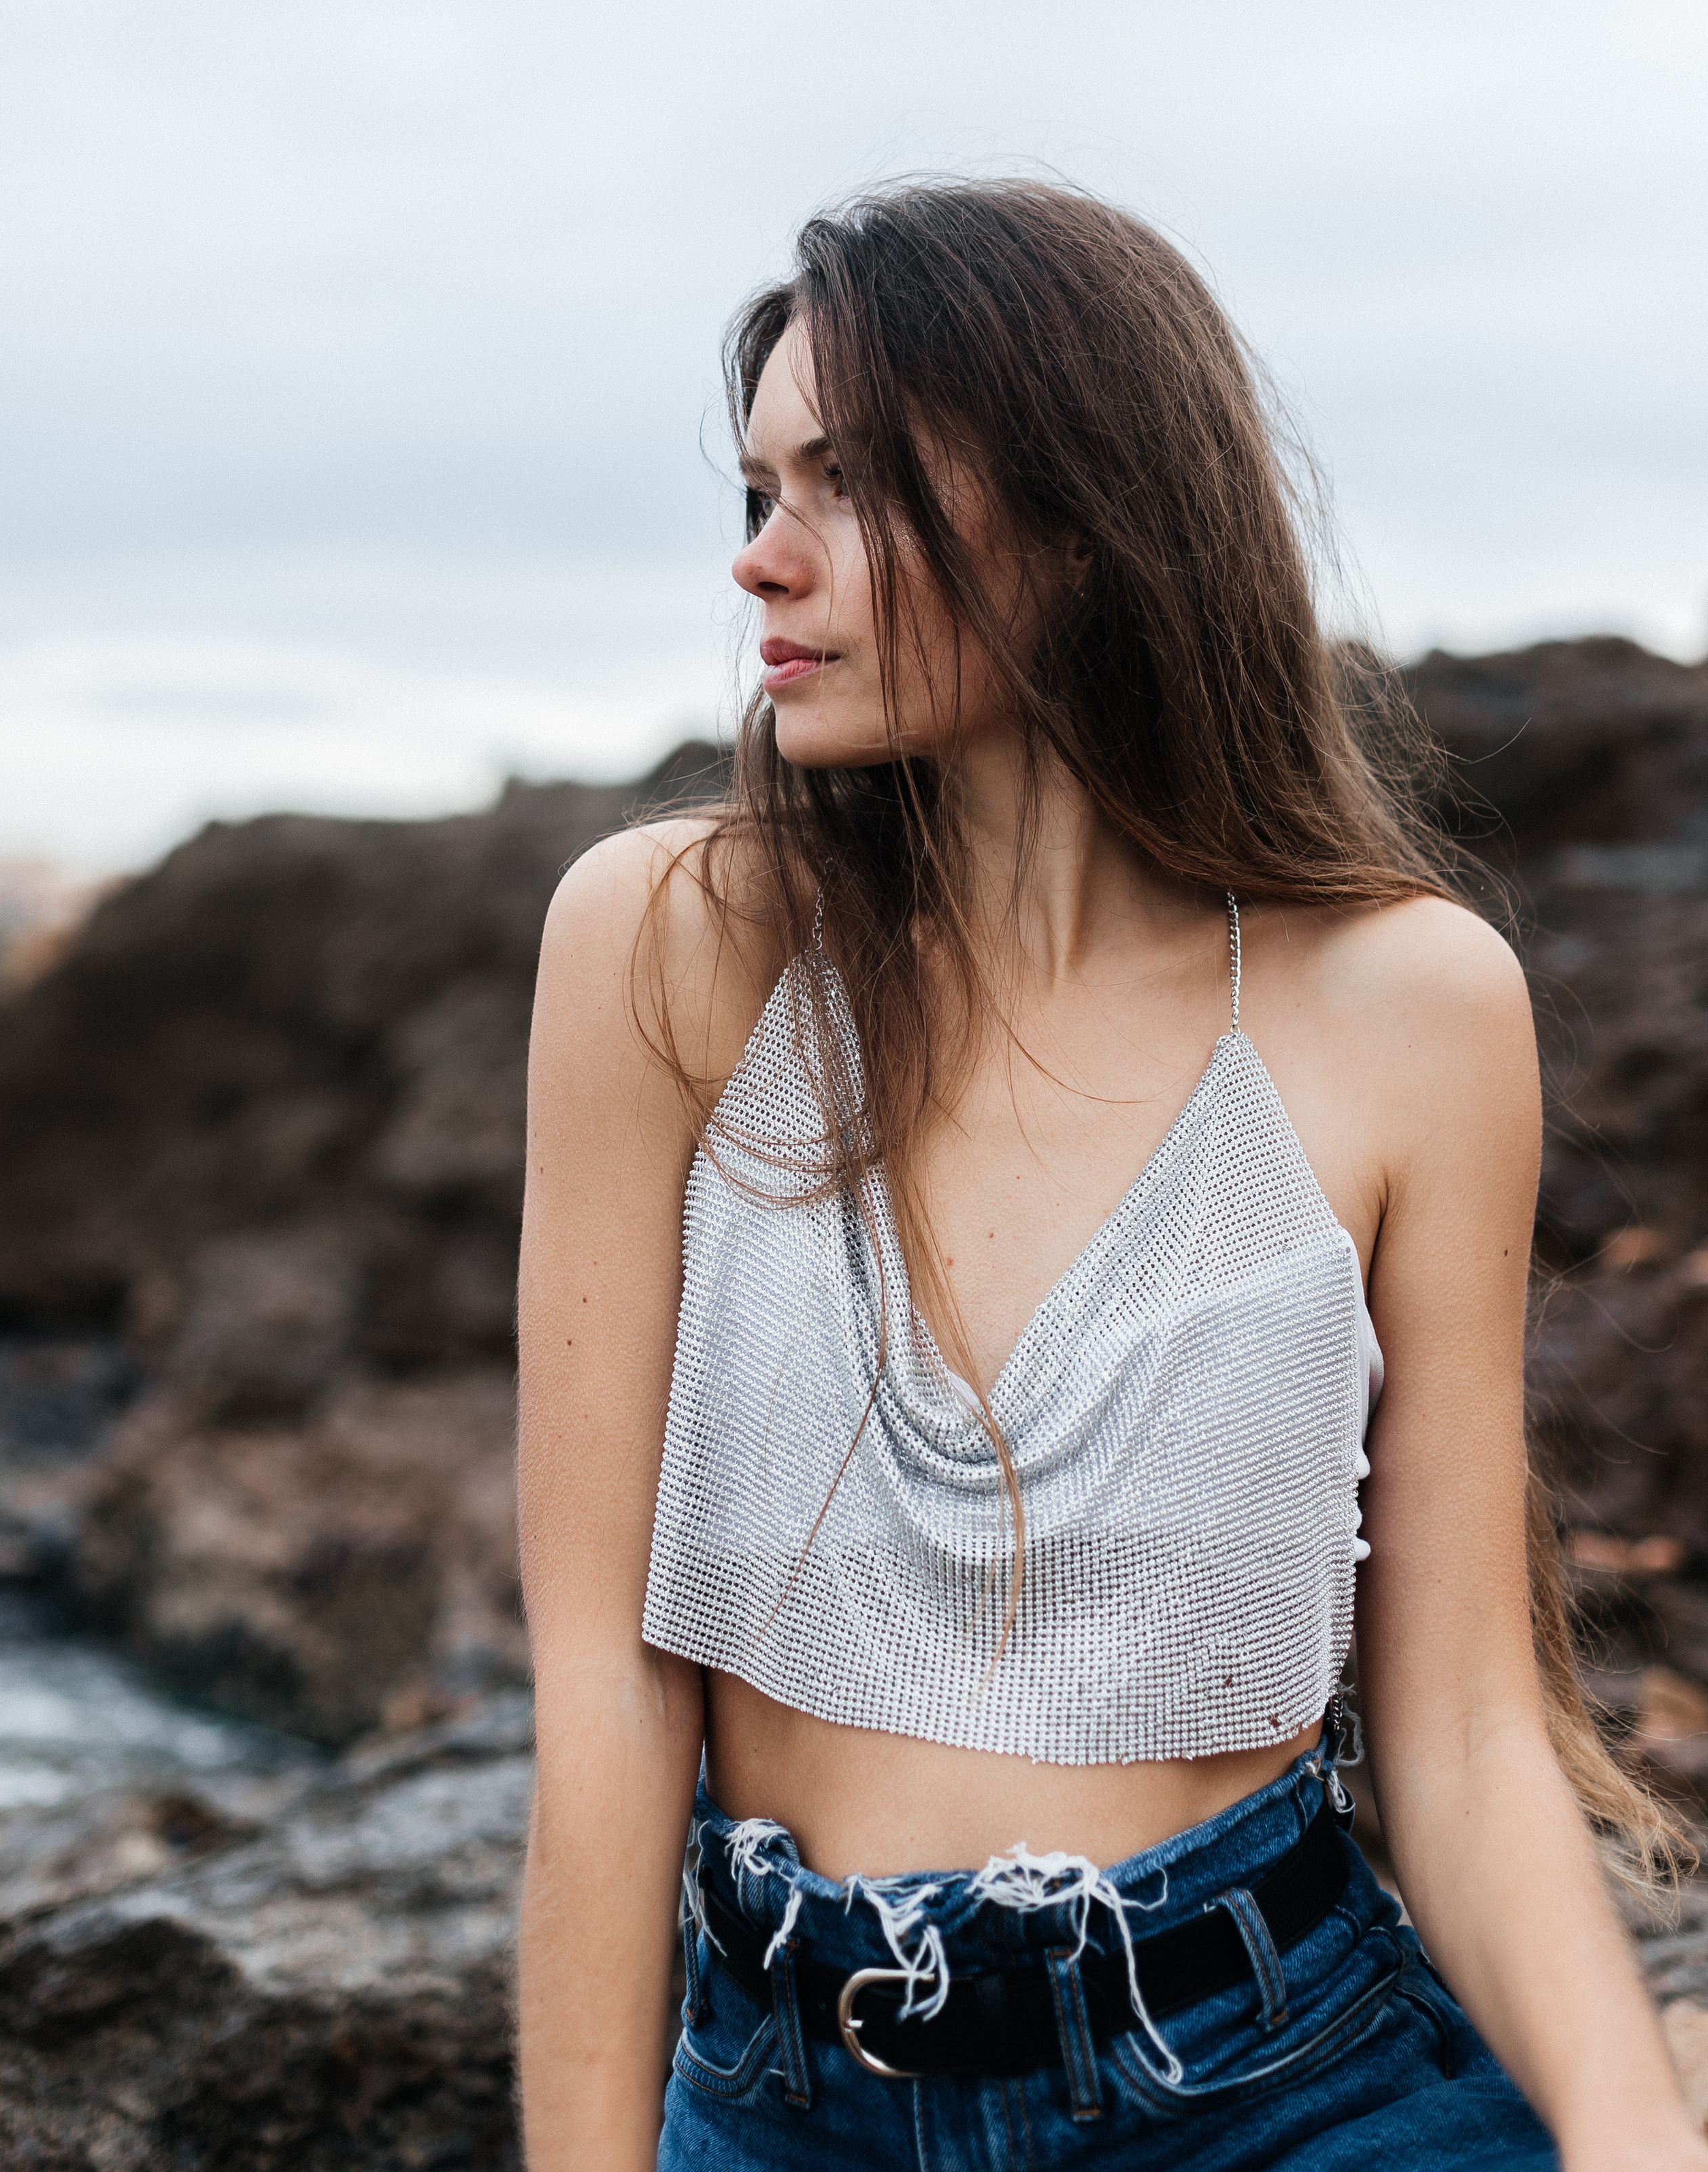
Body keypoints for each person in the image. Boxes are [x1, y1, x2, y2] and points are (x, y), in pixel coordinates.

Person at [514, 180, 1701, 2169]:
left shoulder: (1413, 1007)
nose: (761, 559)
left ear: (1086, 518)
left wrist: (1632, 2135)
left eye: (849, 485)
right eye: (758, 491)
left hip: (1284, 2080)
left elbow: (1463, 1727)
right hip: (797, 2095)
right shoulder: (671, 945)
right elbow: (603, 1688)